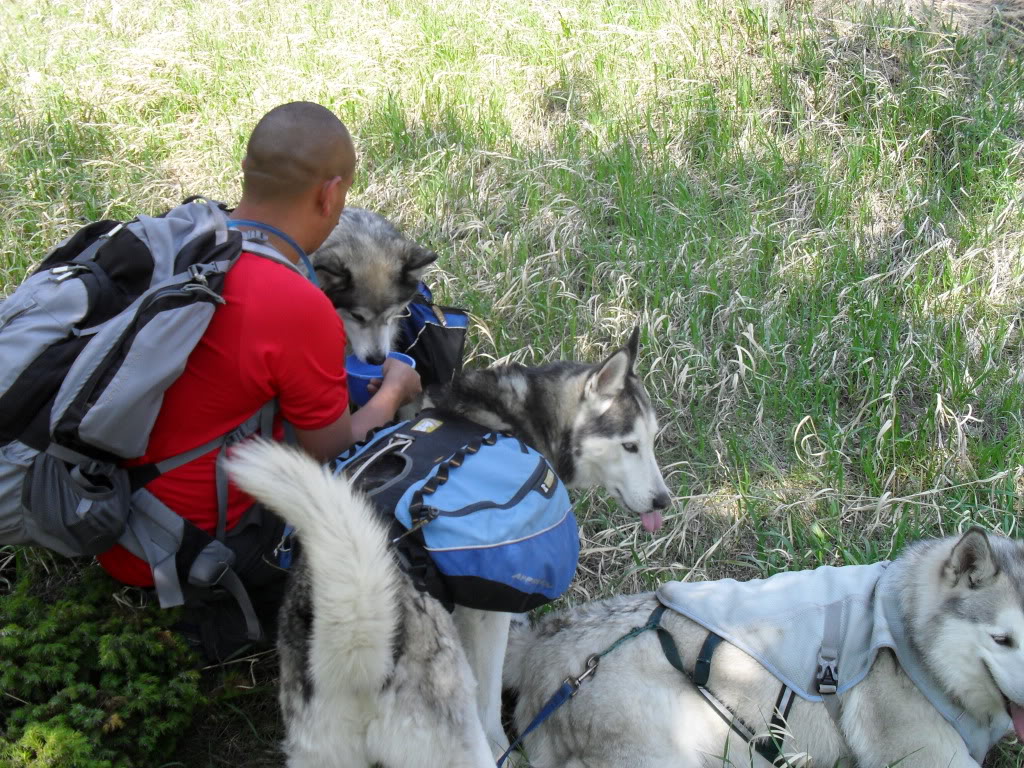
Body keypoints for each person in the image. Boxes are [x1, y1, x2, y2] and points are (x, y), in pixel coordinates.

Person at [95, 103, 420, 643]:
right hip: (183, 550)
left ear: (249, 169)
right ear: (330, 194)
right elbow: (331, 448)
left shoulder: (178, 234)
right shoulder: (297, 303)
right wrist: (393, 392)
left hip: (102, 509)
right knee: (397, 498)